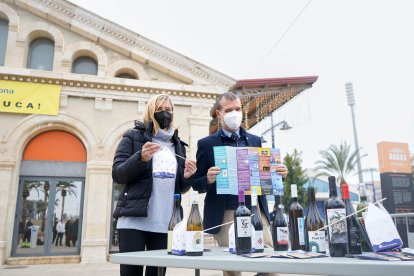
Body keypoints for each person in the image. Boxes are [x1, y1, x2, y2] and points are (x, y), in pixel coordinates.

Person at [192, 92, 288, 276]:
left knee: (269, 261)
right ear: (219, 113)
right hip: (225, 212)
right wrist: (208, 179)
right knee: (232, 267)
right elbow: (197, 183)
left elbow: (265, 176)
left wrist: (279, 175)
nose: (234, 113)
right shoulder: (206, 144)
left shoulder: (255, 140)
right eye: (229, 110)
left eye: (237, 109)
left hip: (255, 210)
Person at [112, 94, 197, 276]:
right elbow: (118, 174)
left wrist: (187, 177)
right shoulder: (133, 136)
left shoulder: (178, 145)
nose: (165, 113)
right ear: (150, 112)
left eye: (168, 110)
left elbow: (180, 188)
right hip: (134, 221)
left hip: (166, 223)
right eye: (159, 110)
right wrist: (140, 158)